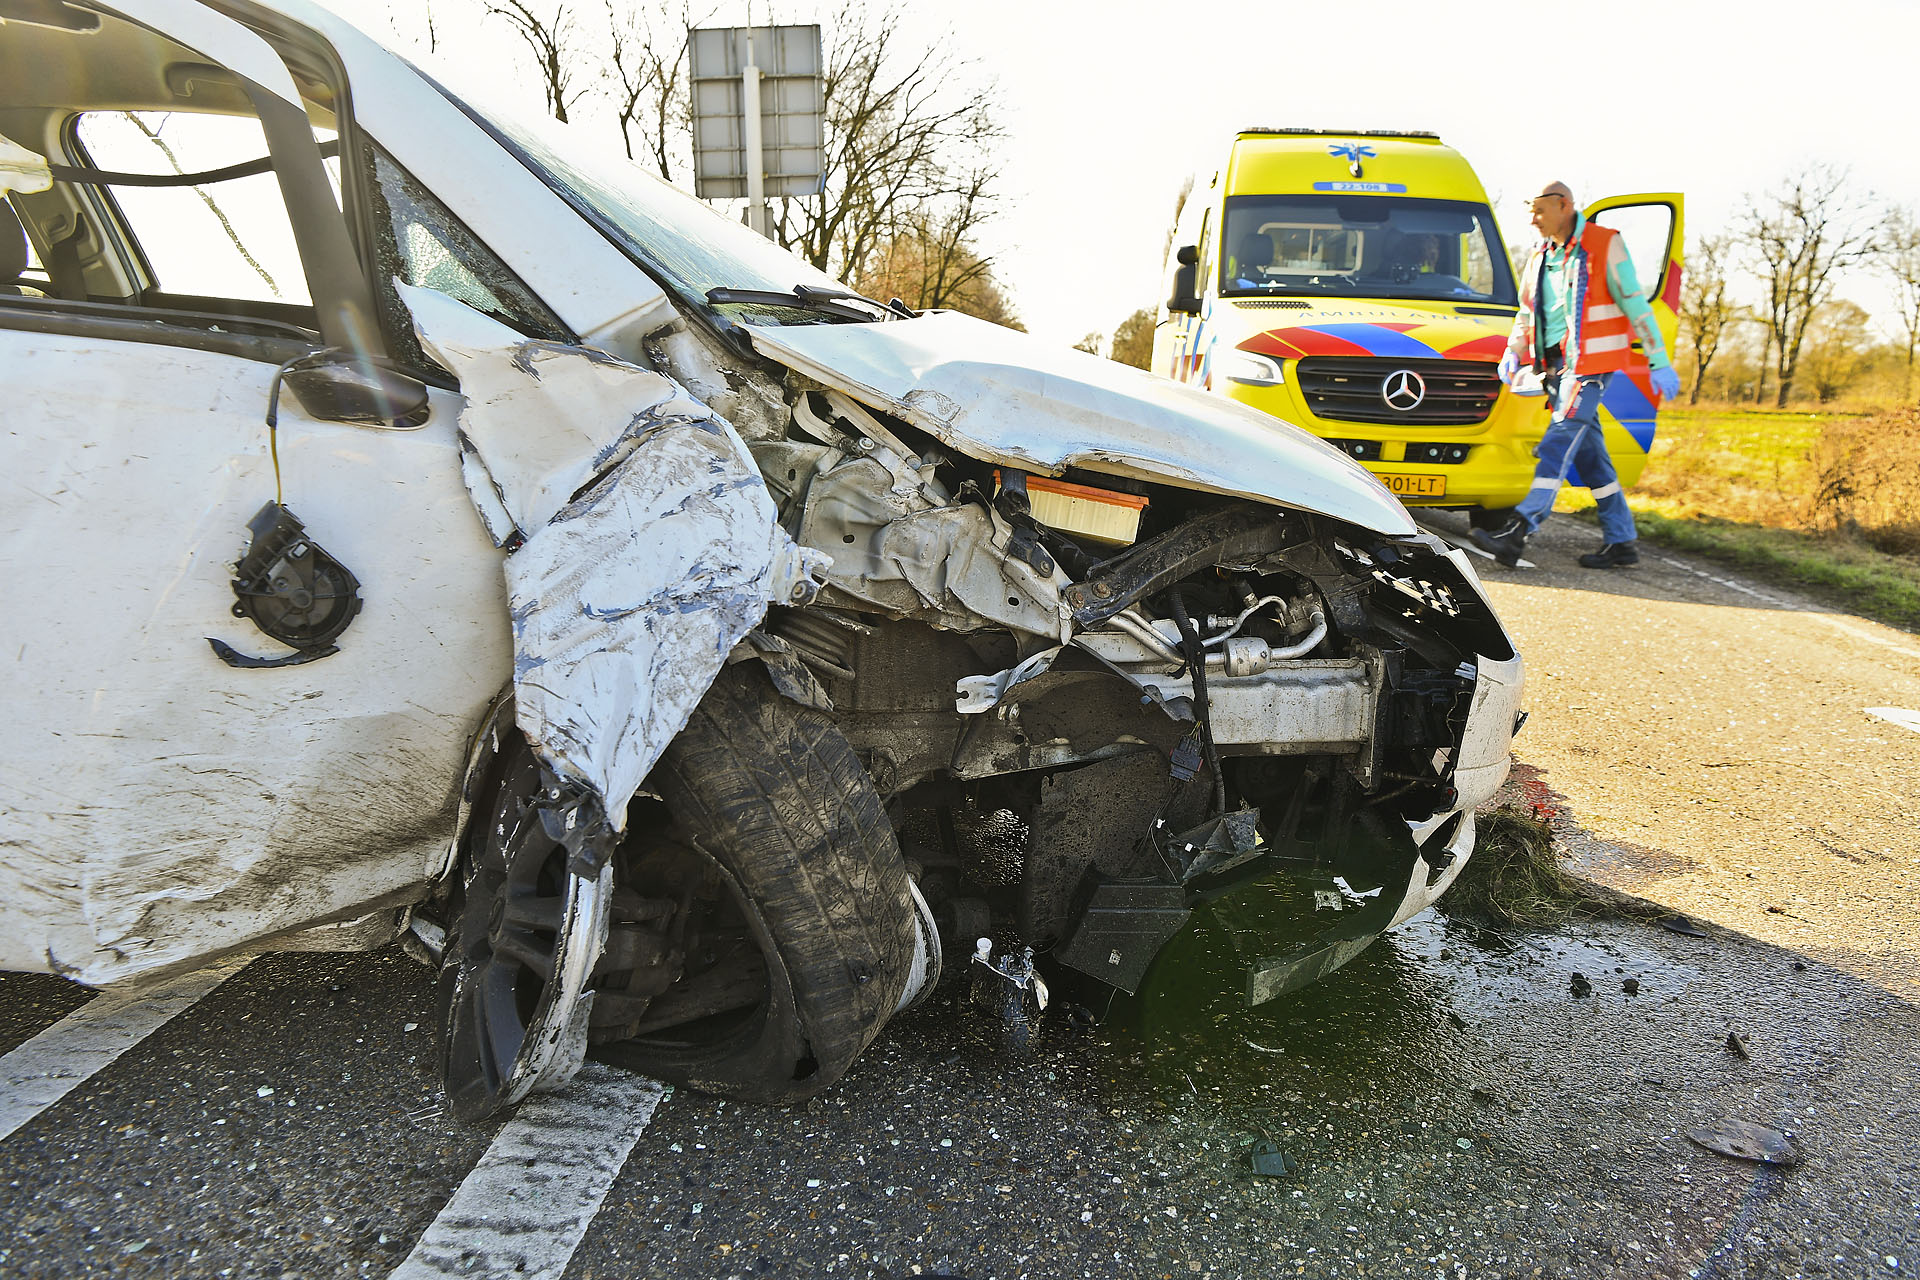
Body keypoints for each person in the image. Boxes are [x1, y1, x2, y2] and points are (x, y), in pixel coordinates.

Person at [1471, 181, 1681, 569]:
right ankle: (1621, 542)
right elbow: (1525, 313)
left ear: (1563, 205)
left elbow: (1636, 304)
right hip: (1553, 369)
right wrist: (1512, 352)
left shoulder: (1604, 244)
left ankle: (1518, 529)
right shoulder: (1540, 255)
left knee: (1557, 442)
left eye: (1539, 211)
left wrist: (1658, 359)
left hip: (1590, 368)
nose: (1533, 220)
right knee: (1592, 458)